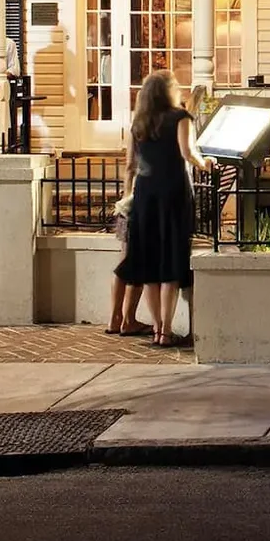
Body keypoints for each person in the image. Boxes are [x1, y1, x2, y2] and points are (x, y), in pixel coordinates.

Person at [113, 71, 206, 348]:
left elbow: (130, 163)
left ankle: (156, 329)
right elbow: (187, 152)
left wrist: (127, 194)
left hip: (145, 196)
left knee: (151, 266)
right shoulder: (180, 117)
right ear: (168, 91)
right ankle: (166, 330)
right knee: (172, 263)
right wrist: (205, 163)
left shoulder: (138, 124)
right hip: (173, 194)